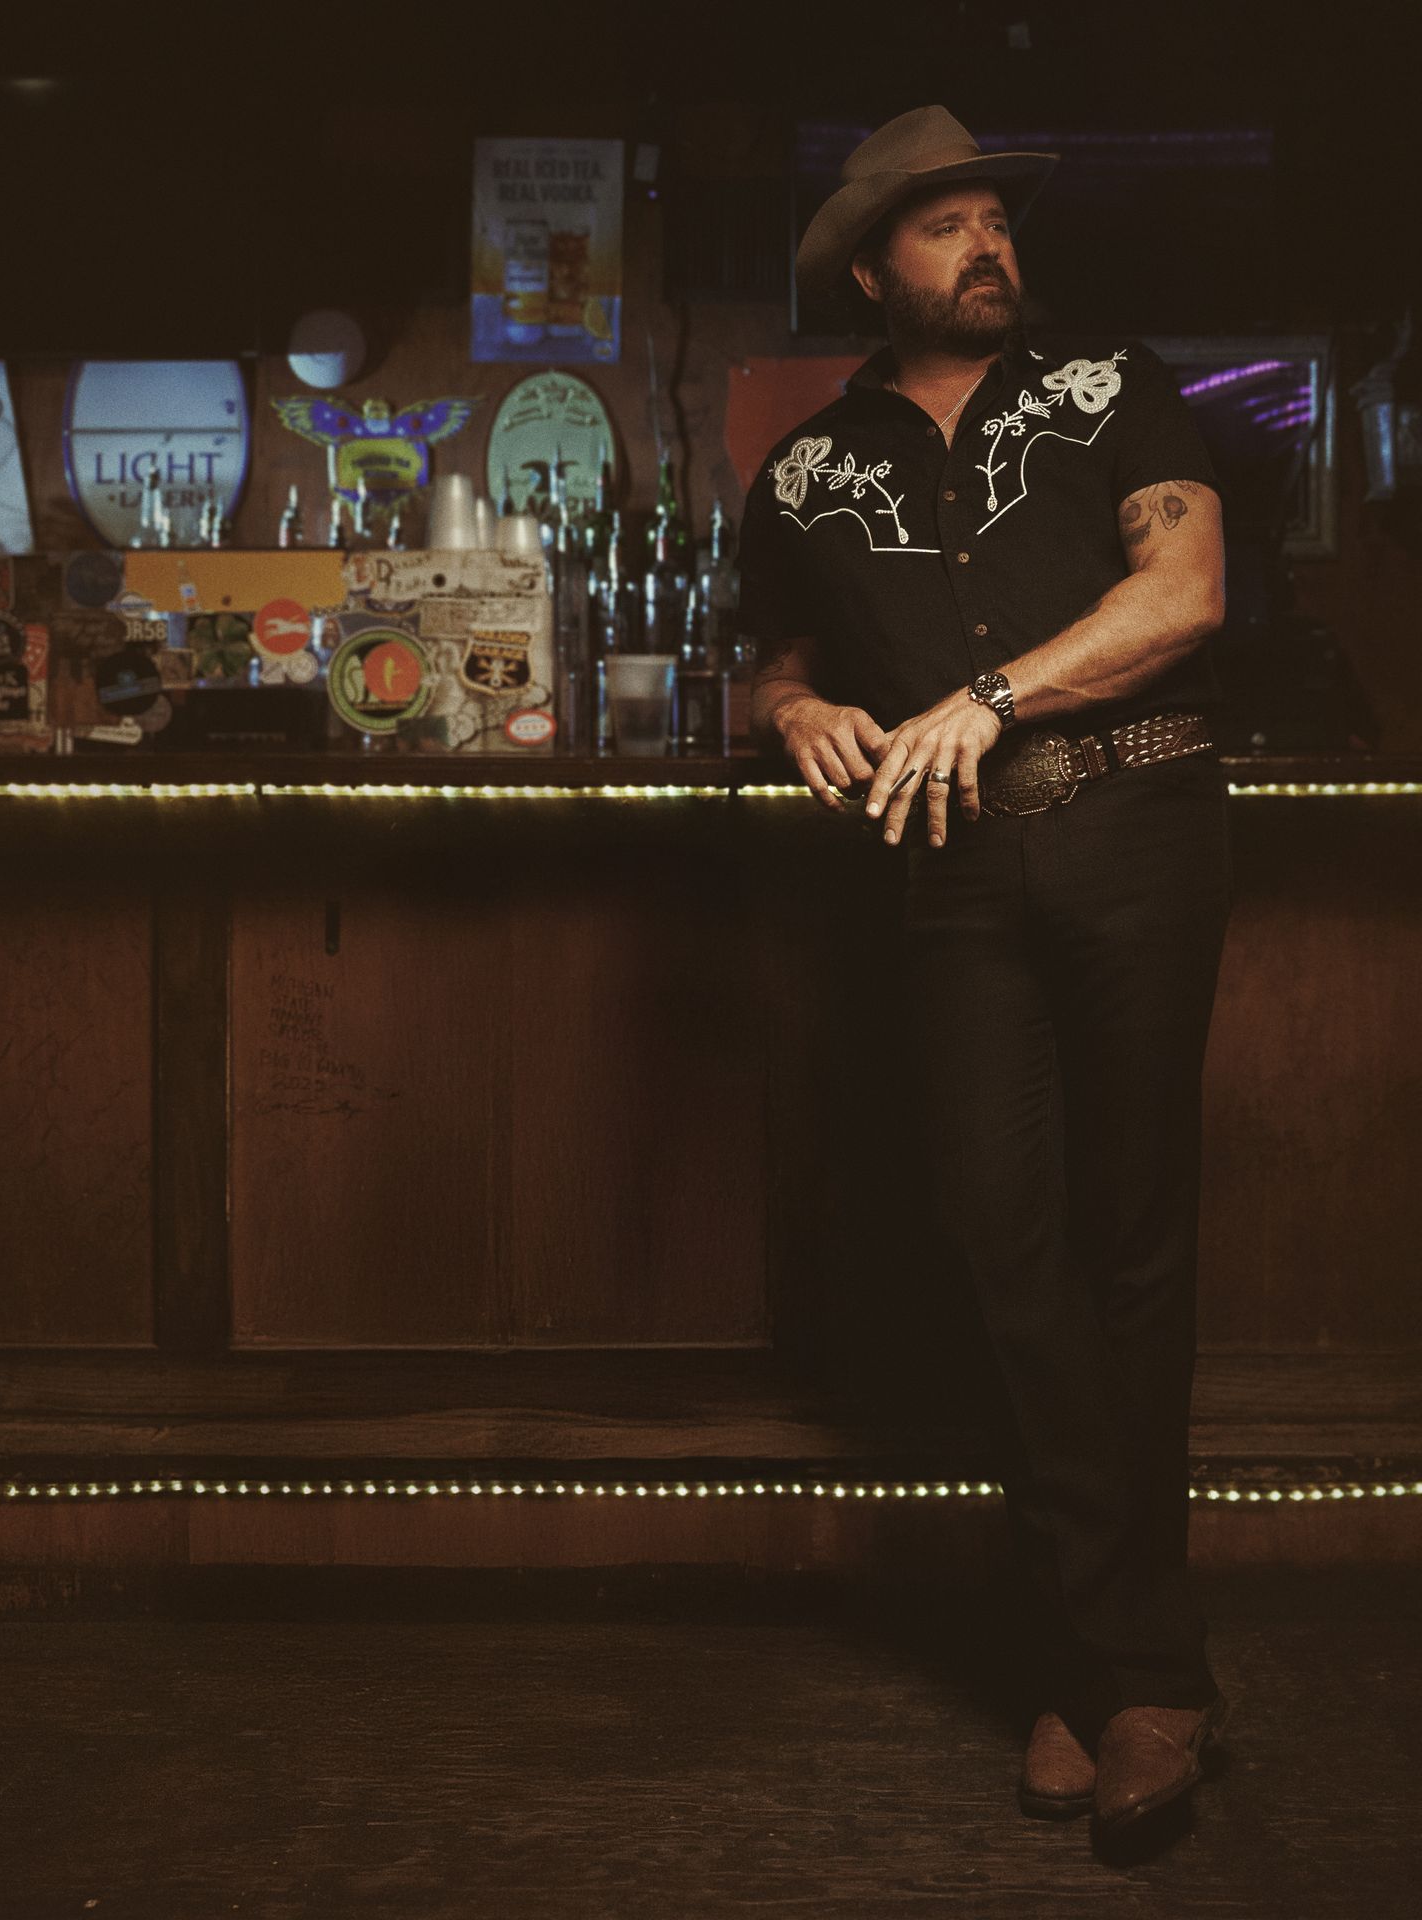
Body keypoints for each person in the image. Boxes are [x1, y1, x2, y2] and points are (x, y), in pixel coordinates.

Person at [736, 104, 1235, 1851]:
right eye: (944, 230)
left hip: (1134, 831)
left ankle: (1112, 1681)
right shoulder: (803, 467)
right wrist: (798, 711)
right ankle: (1117, 1662)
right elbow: (772, 656)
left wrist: (998, 695)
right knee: (995, 1240)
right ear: (874, 270)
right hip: (942, 872)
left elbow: (1183, 594)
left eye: (994, 222)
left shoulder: (1116, 386)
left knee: (1130, 1243)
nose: (986, 249)